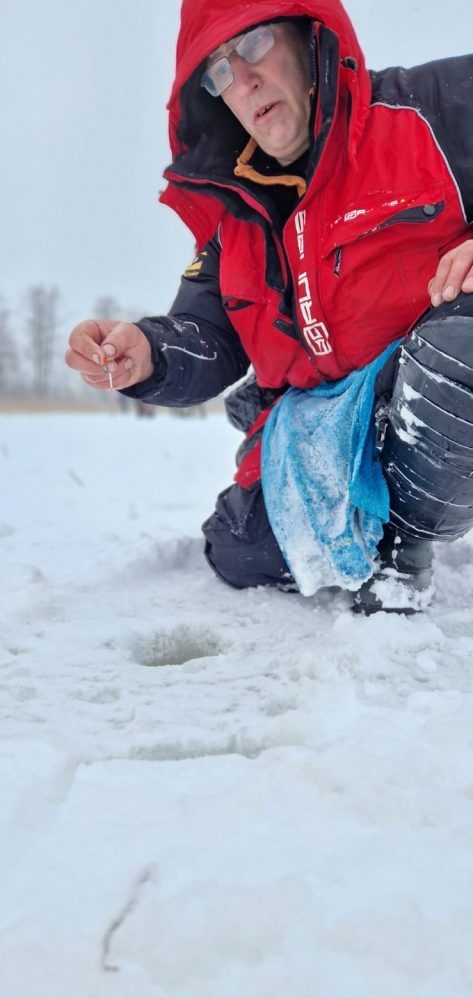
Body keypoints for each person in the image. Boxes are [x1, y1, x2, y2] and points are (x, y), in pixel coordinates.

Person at [65, 0, 473, 613]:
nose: (243, 78)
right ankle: (336, 496)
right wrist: (147, 354)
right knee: (235, 547)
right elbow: (205, 333)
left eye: (253, 45)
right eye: (219, 71)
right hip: (331, 431)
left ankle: (399, 550)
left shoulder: (434, 109)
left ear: (311, 39)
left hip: (429, 387)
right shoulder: (234, 219)